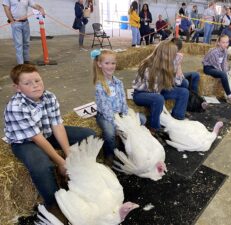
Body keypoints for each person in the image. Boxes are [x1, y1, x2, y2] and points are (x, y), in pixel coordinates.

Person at [4, 64, 96, 224]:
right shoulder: (16, 107)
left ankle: (80, 175)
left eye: (37, 80)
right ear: (17, 87)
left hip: (47, 131)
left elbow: (58, 126)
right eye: (27, 83)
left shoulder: (49, 96)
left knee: (90, 136)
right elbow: (37, 139)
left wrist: (69, 156)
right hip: (25, 141)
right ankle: (53, 204)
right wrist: (60, 162)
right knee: (41, 166)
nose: (35, 85)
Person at [91, 49, 146, 166]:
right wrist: (118, 123)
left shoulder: (119, 83)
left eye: (113, 63)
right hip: (106, 116)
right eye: (107, 63)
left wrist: (126, 117)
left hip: (120, 114)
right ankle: (109, 155)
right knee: (110, 132)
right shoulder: (99, 85)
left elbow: (123, 102)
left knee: (141, 119)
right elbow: (106, 109)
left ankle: (127, 146)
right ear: (99, 64)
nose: (111, 66)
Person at [132, 40, 189, 136]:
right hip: (143, 94)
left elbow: (178, 82)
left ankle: (177, 119)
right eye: (174, 54)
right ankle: (154, 127)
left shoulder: (168, 64)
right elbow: (155, 91)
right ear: (166, 55)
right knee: (158, 99)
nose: (176, 56)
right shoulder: (149, 67)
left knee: (184, 92)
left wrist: (178, 65)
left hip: (159, 89)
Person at [3, 0, 45, 64]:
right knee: (19, 44)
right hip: (16, 23)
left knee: (26, 43)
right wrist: (12, 21)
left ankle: (26, 61)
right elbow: (6, 9)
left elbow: (34, 5)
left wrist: (41, 9)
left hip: (25, 23)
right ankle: (20, 64)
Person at [203, 35, 231, 105]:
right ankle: (229, 96)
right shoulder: (214, 52)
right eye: (223, 42)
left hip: (216, 67)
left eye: (227, 42)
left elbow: (224, 63)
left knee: (226, 73)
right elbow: (217, 66)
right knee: (223, 74)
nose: (225, 44)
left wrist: (226, 72)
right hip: (209, 67)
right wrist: (224, 74)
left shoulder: (225, 50)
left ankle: (230, 92)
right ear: (218, 43)